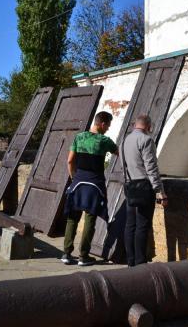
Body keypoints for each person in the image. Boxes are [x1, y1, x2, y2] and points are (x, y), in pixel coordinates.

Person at [62, 111, 118, 267]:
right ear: (102, 124)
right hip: (95, 185)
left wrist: (74, 178)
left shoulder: (79, 137)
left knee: (72, 218)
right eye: (108, 125)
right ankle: (83, 256)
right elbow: (120, 153)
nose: (108, 129)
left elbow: (70, 161)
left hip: (78, 183)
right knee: (89, 220)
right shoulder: (105, 140)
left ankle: (66, 254)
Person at [122, 115, 168, 267]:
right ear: (148, 126)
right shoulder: (146, 140)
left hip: (130, 185)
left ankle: (130, 261)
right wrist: (159, 191)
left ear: (135, 125)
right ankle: (140, 261)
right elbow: (151, 168)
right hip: (143, 187)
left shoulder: (125, 140)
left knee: (130, 225)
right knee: (142, 225)